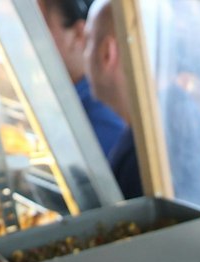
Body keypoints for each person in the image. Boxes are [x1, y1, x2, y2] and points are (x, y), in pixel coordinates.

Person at [37, 0, 127, 162]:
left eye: (40, 28)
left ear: (79, 34)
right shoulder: (70, 95)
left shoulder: (101, 114)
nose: (30, 42)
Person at [84, 0, 141, 197]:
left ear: (107, 53)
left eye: (88, 41)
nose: (84, 56)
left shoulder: (139, 159)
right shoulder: (145, 134)